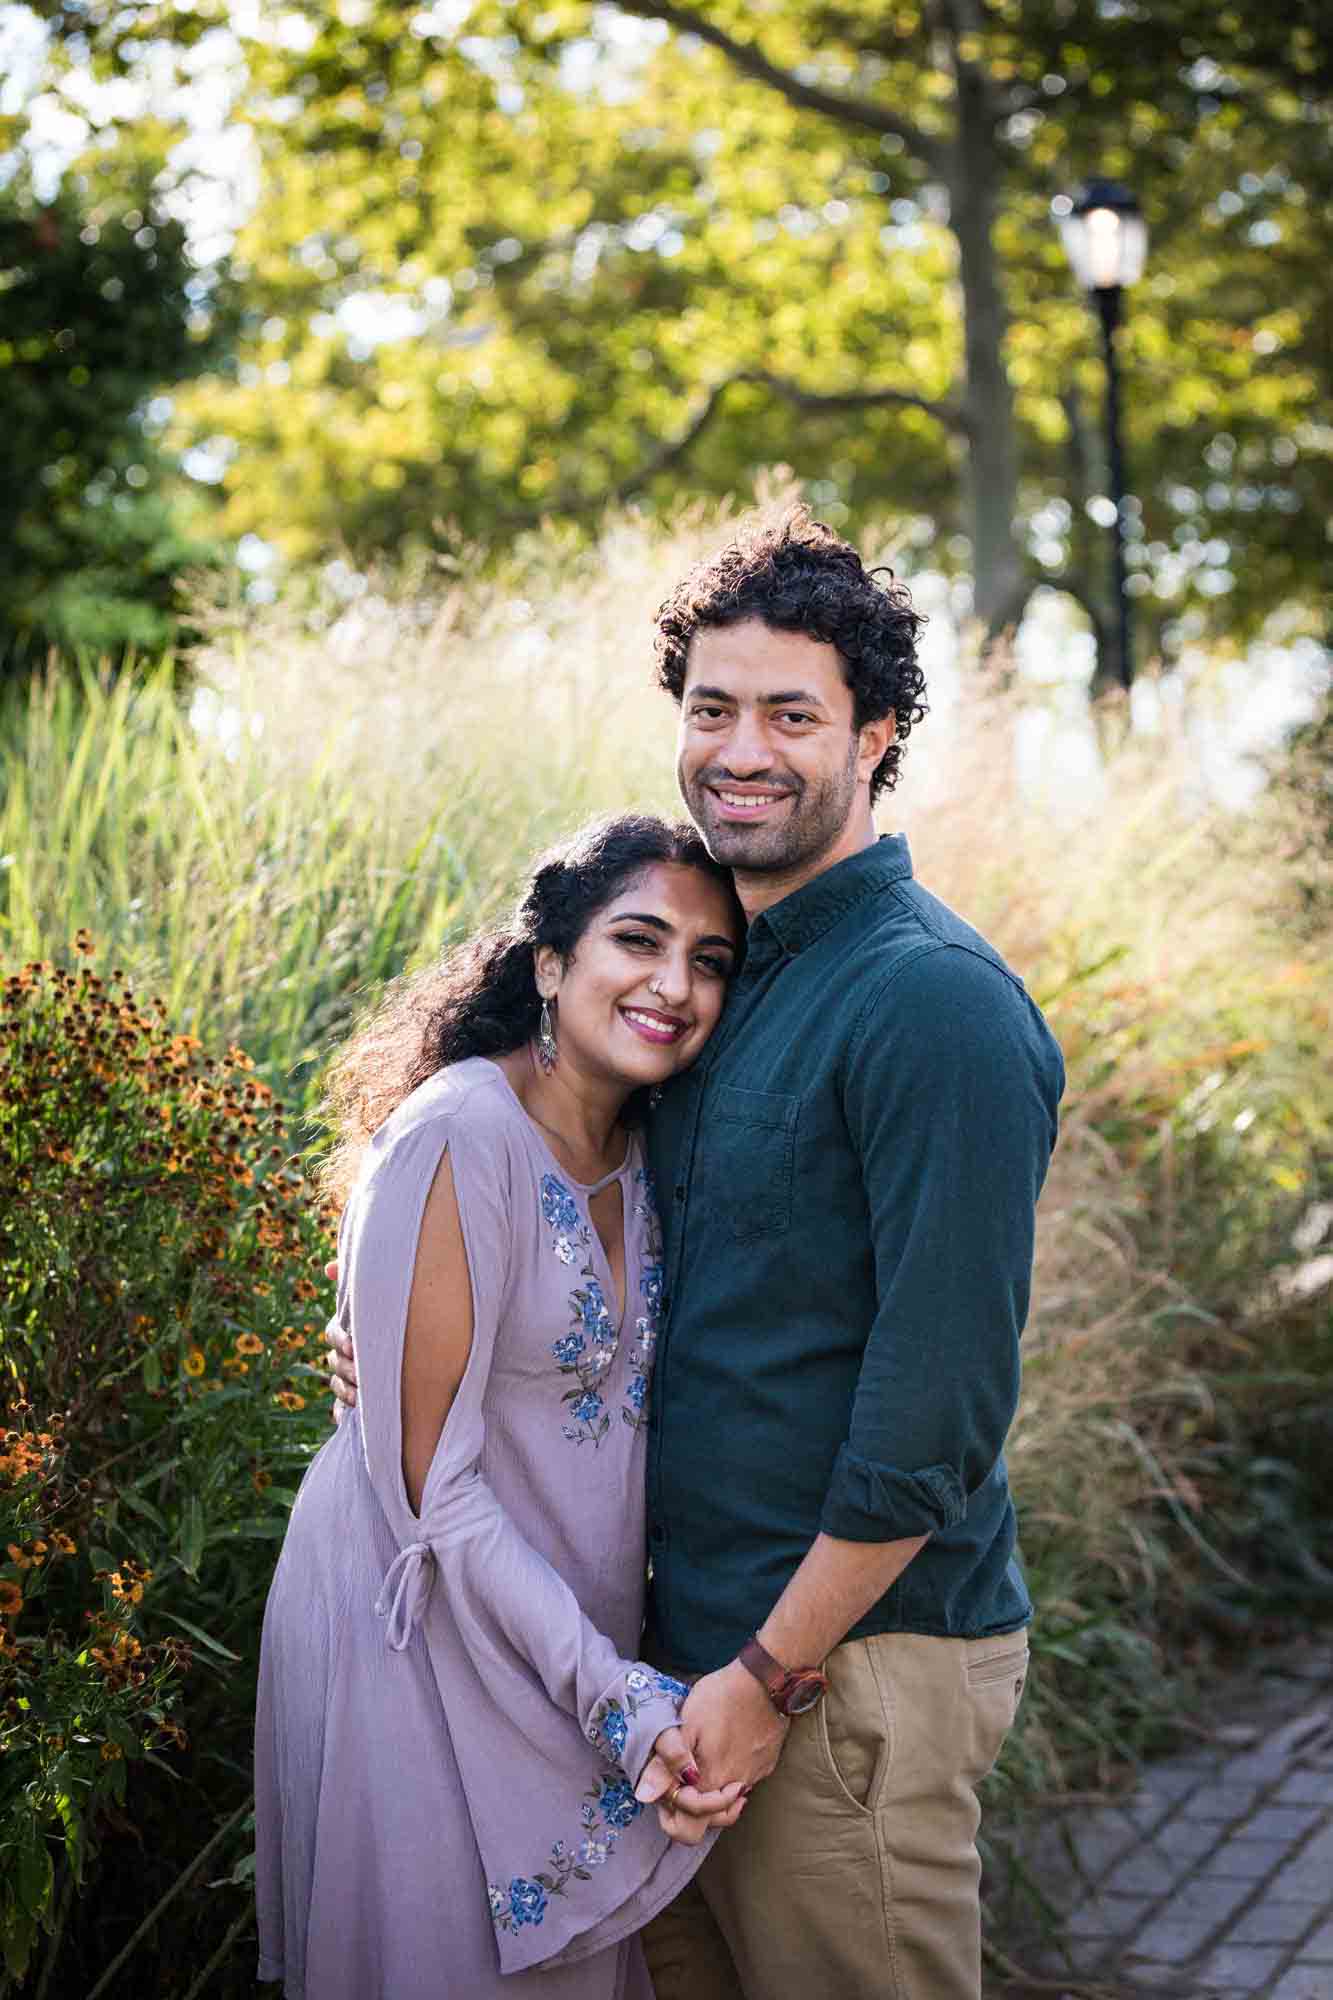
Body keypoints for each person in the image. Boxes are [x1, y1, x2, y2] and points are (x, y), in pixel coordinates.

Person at [330, 507, 1065, 1999]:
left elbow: (934, 1420)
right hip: (668, 1682)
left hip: (842, 1674)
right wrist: (406, 1349)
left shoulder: (931, 1006)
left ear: (876, 735)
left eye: (791, 714)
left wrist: (768, 1679)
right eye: (710, 708)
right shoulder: (722, 977)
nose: (741, 747)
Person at [256, 814, 749, 2000]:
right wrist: (618, 1695)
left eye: (709, 960)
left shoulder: (650, 1142)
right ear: (548, 962)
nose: (672, 983)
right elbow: (429, 1483)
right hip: (416, 1613)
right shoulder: (456, 1136)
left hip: (566, 1622)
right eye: (638, 939)